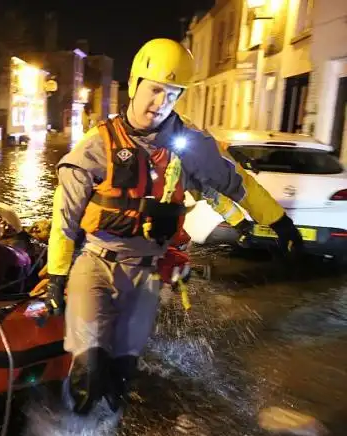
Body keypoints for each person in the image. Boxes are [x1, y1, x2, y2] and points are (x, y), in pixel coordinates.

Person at [43, 38, 305, 415]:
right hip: (97, 264)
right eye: (154, 90)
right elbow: (65, 217)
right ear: (134, 85)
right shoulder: (96, 146)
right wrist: (56, 275)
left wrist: (280, 223)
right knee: (89, 371)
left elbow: (235, 184)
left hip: (146, 273)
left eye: (171, 95)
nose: (159, 103)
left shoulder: (189, 145)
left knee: (121, 377)